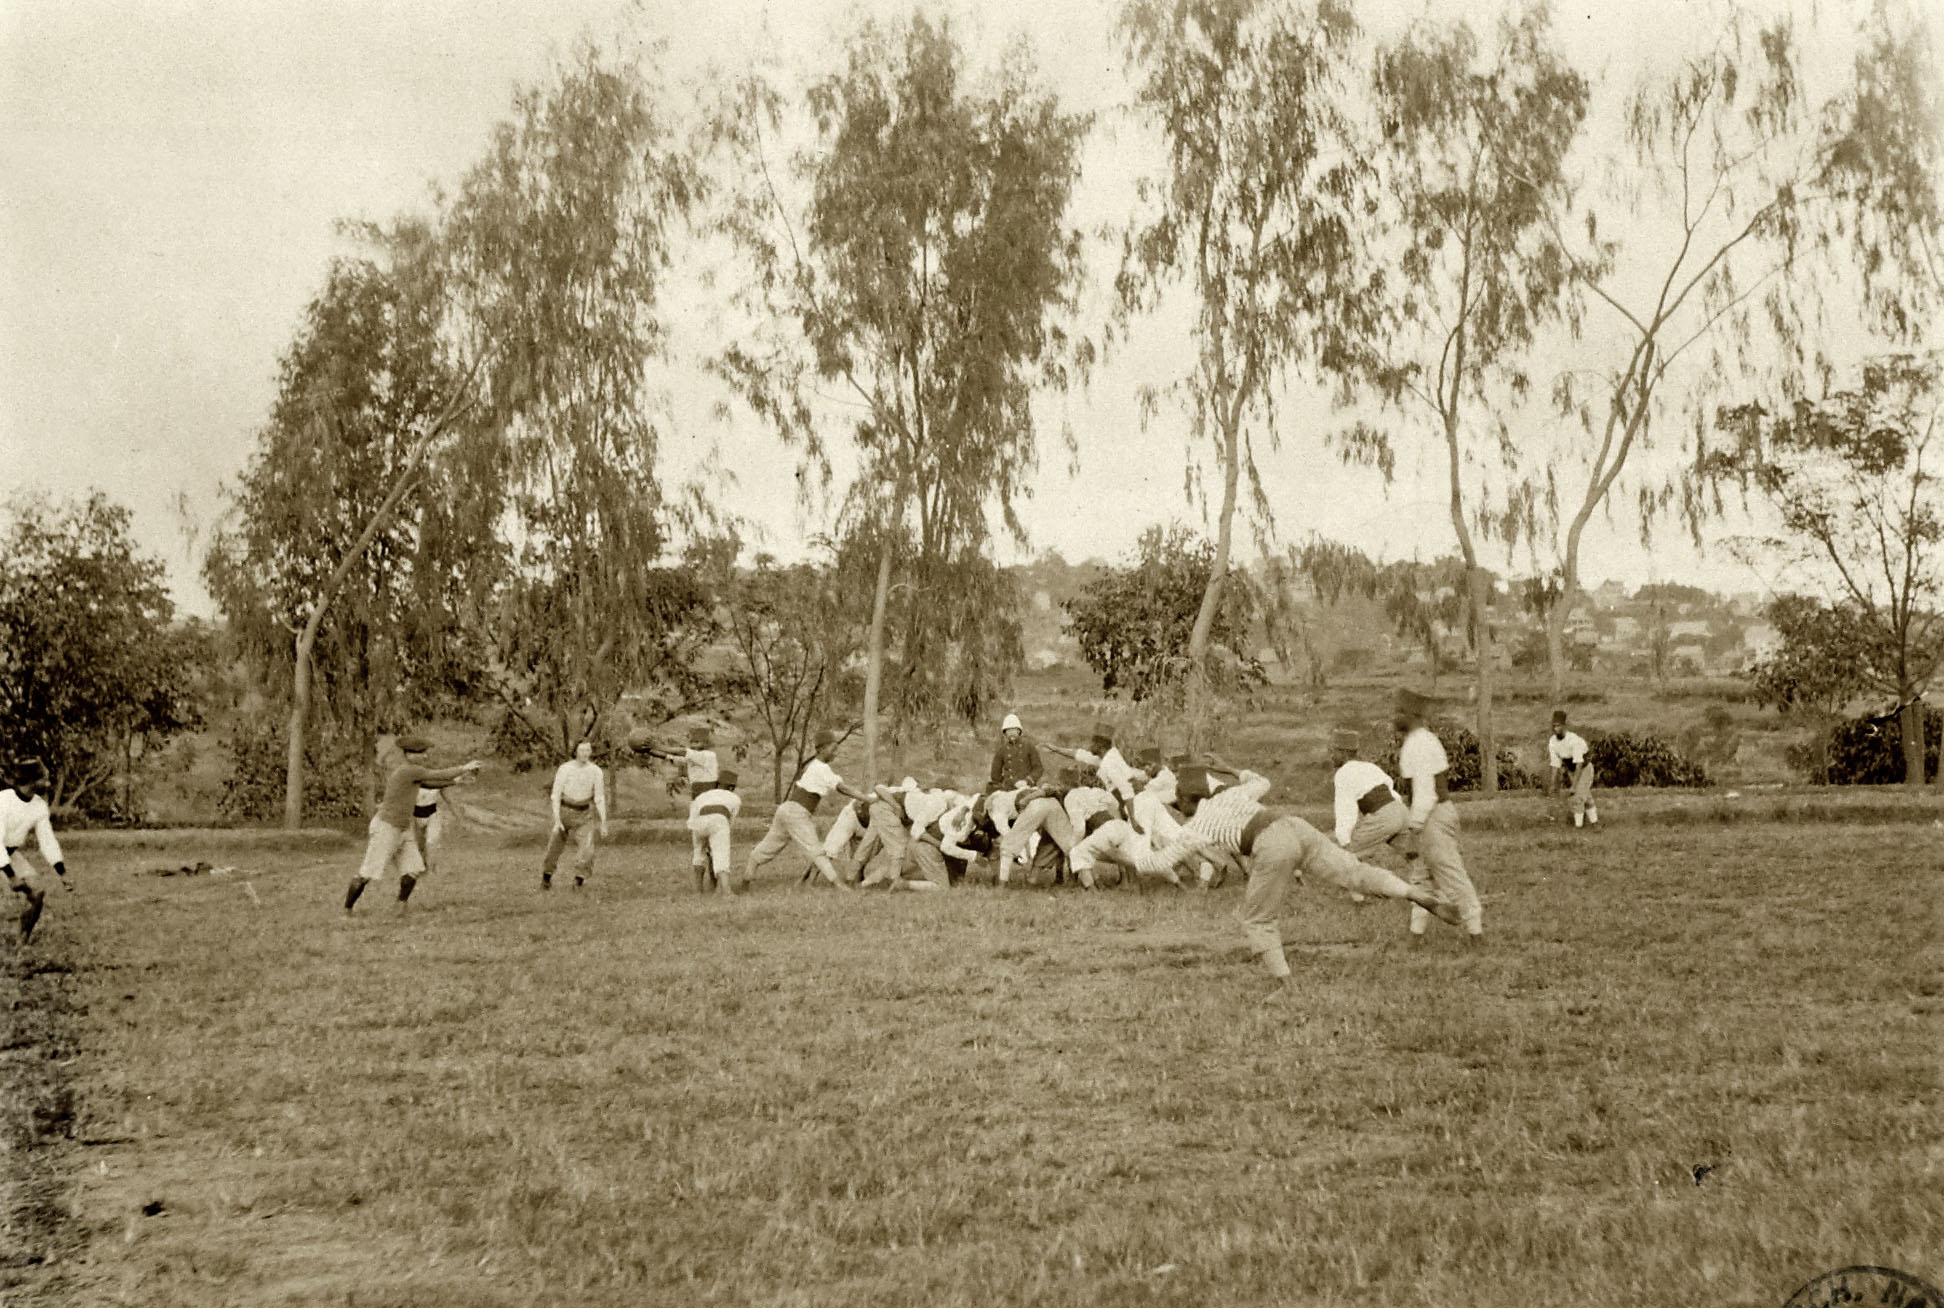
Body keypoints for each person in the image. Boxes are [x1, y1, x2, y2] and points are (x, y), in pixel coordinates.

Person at [1135, 763, 1457, 996]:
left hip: (1269, 845)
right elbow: (1261, 781)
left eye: (1179, 802)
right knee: (1354, 873)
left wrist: (1137, 853)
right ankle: (1414, 893)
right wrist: (1231, 770)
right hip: (1294, 825)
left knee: (1257, 919)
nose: (1179, 809)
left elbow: (1162, 860)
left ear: (1188, 800)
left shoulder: (1196, 825)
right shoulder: (1229, 795)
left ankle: (1285, 986)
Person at [348, 737, 481, 913]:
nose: (425, 756)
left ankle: (400, 906)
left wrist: (456, 781)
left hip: (403, 828)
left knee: (413, 869)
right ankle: (347, 909)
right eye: (421, 753)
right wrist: (464, 767)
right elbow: (435, 776)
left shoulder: (413, 773)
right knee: (367, 872)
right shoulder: (408, 770)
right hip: (387, 827)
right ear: (409, 755)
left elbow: (429, 783)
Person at [1394, 689, 1484, 944]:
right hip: (1431, 815)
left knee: (1450, 875)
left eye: (1399, 711)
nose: (1394, 717)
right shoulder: (1418, 740)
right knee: (1422, 878)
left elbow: (1425, 793)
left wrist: (1414, 829)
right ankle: (1415, 937)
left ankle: (1476, 933)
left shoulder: (1419, 744)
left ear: (1412, 715)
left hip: (1431, 815)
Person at [747, 728, 870, 890]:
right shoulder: (820, 767)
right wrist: (867, 798)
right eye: (833, 749)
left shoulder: (816, 767)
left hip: (786, 810)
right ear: (821, 749)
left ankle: (745, 880)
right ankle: (839, 885)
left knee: (767, 847)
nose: (835, 753)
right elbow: (842, 788)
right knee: (816, 850)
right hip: (797, 812)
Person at [1328, 727, 1415, 903]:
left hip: (1384, 816)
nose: (1331, 756)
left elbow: (1345, 810)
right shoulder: (1369, 767)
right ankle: (1440, 890)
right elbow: (1390, 788)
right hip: (1401, 810)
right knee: (1416, 856)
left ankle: (1357, 898)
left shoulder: (1343, 773)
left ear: (1343, 753)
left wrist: (1344, 840)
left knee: (1346, 856)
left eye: (1333, 751)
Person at [2, 762, 69, 944]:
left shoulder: (39, 805)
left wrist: (62, 872)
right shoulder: (4, 801)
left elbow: (47, 840)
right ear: (31, 781)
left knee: (37, 892)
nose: (48, 783)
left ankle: (21, 939)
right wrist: (11, 876)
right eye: (44, 778)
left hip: (9, 854)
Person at [541, 740, 608, 891]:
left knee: (587, 849)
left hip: (584, 813)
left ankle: (578, 881)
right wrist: (557, 819)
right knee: (554, 847)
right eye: (582, 750)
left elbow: (599, 797)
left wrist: (603, 821)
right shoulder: (565, 769)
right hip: (565, 811)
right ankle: (546, 877)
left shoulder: (596, 771)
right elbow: (556, 795)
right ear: (576, 751)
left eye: (588, 750)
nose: (585, 754)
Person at [686, 767, 741, 894]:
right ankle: (727, 892)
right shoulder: (735, 798)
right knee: (721, 855)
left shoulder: (702, 796)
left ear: (717, 784)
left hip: (698, 822)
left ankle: (697, 892)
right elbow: (729, 822)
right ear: (732, 788)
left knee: (698, 854)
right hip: (719, 821)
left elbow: (692, 817)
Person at [1547, 709, 1599, 829]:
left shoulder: (1574, 740)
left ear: (1565, 726)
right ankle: (1595, 823)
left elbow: (1579, 765)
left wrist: (1574, 786)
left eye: (1559, 726)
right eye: (1554, 726)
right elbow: (1555, 764)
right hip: (1571, 769)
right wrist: (1553, 784)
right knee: (1586, 798)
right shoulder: (1552, 742)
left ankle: (1578, 827)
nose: (1556, 729)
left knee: (1578, 796)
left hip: (1584, 768)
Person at [637, 725, 720, 798]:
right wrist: (649, 750)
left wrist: (657, 746)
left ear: (706, 744)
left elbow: (679, 751)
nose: (693, 745)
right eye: (691, 742)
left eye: (697, 742)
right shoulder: (692, 757)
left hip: (708, 788)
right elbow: (667, 756)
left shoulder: (708, 755)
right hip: (697, 788)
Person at [988, 714, 1043, 790]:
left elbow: (1038, 768)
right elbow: (995, 775)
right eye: (1008, 730)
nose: (1011, 733)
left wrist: (1027, 781)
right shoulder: (1002, 750)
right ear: (1005, 733)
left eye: (1013, 730)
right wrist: (1009, 782)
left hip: (1028, 786)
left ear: (1018, 731)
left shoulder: (1029, 745)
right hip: (1009, 788)